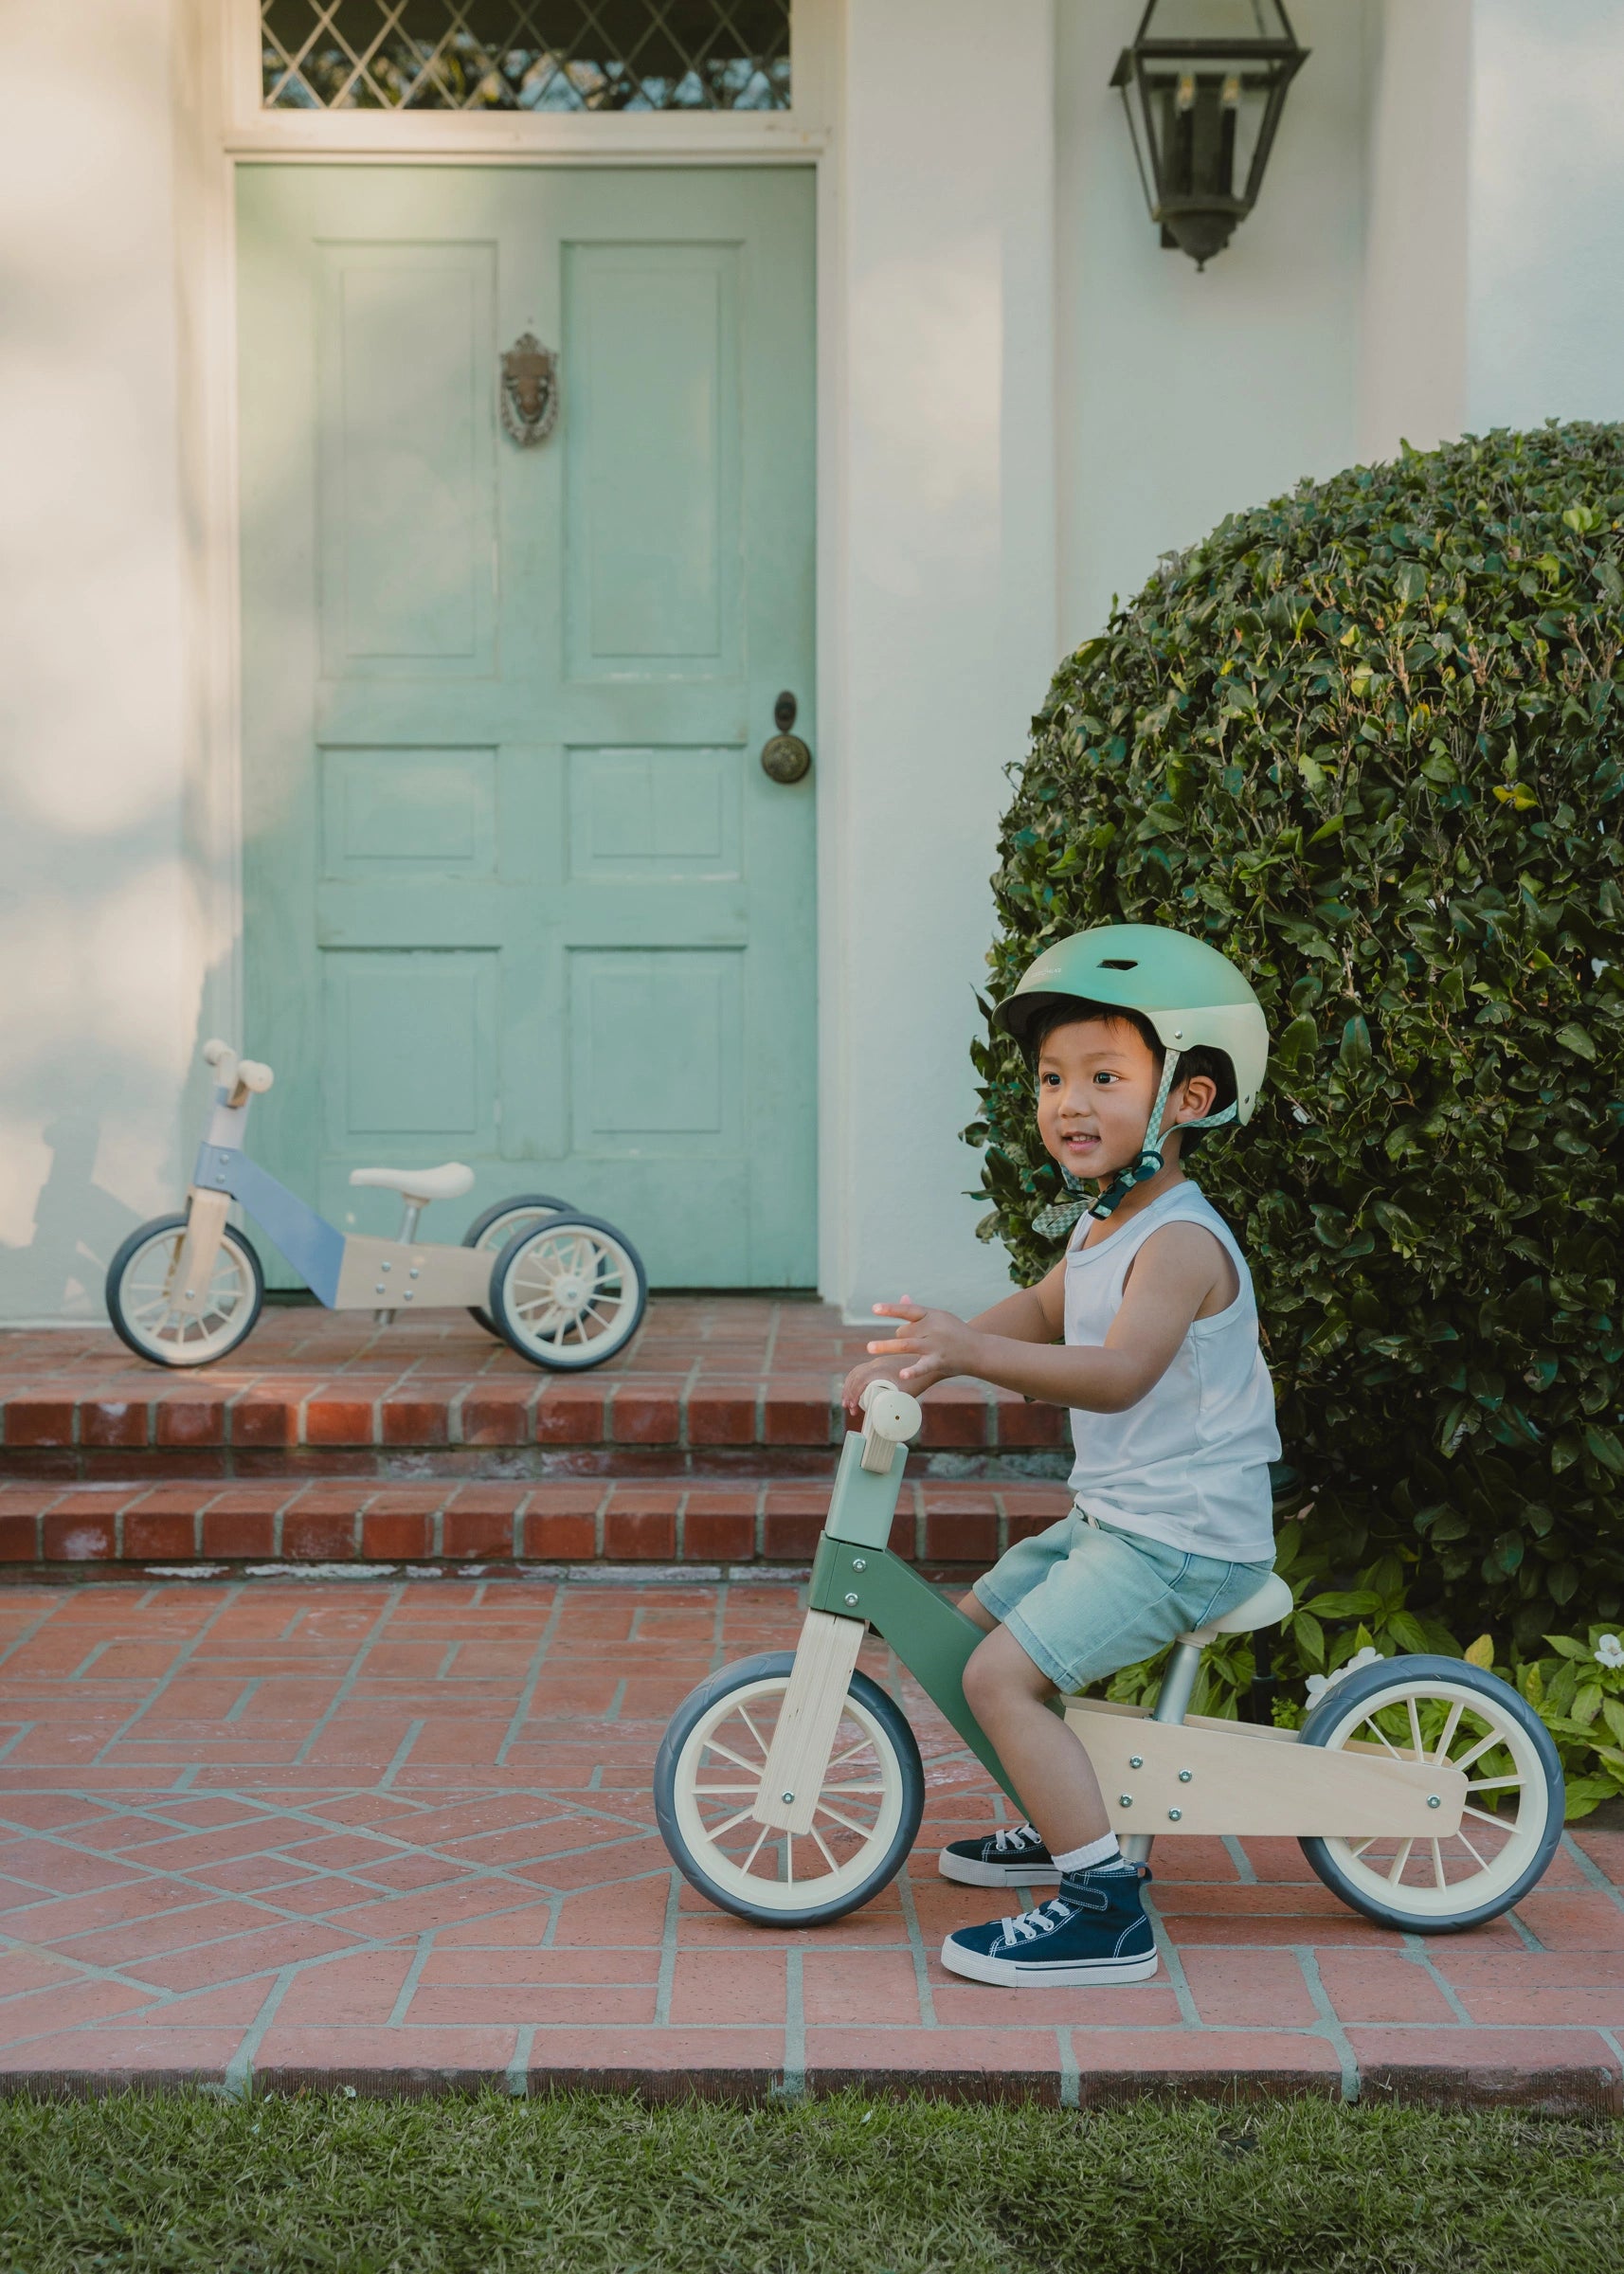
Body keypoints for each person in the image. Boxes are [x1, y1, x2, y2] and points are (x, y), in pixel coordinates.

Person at [840, 924, 1281, 1987]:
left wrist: (970, 1355)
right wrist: (919, 1363)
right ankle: (1069, 1815)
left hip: (1186, 1541)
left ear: (1188, 1097)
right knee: (966, 1642)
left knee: (997, 1679)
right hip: (1121, 1521)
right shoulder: (1102, 1222)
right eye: (1050, 1078)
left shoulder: (1178, 1239)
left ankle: (1102, 1909)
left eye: (1104, 1076)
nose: (1068, 1102)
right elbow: (1045, 1308)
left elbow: (1122, 1370)